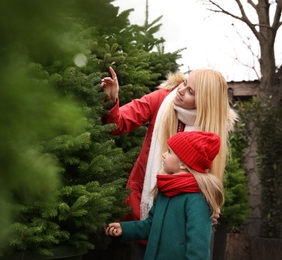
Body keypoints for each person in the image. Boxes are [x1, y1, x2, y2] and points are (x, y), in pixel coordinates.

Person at [101, 67, 237, 257]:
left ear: (204, 103)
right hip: (140, 207)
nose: (180, 90)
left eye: (191, 92)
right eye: (185, 83)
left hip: (177, 225)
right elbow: (118, 124)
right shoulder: (161, 99)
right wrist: (111, 100)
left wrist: (210, 207)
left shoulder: (211, 132)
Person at [105, 131, 224, 260]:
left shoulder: (198, 198)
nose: (163, 155)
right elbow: (151, 225)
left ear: (183, 164)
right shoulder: (166, 188)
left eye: (169, 152)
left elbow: (198, 247)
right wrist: (124, 229)